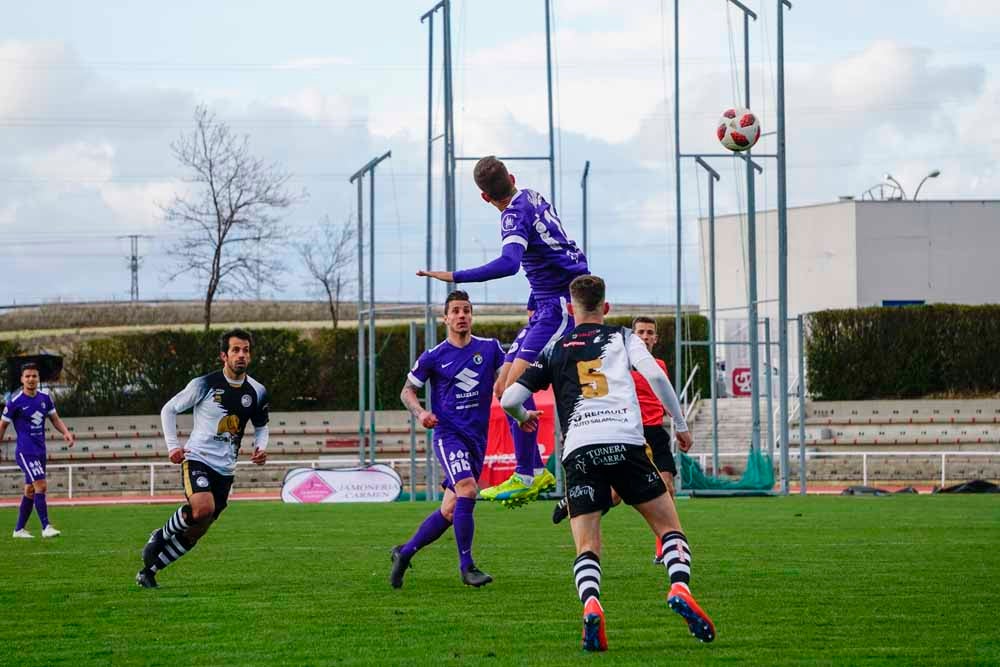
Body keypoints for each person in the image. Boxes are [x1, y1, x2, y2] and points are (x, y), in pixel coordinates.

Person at [501, 275, 714, 651]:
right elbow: (655, 375)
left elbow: (508, 398)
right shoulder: (622, 336)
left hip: (580, 450)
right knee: (669, 529)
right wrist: (679, 425)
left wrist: (522, 417)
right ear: (607, 306)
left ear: (570, 309)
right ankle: (679, 586)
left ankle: (592, 605)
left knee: (587, 546)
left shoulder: (555, 347)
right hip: (626, 443)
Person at [418, 156, 589, 506]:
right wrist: (533, 295)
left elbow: (511, 263)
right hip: (545, 303)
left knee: (516, 388)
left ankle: (529, 473)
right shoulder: (532, 195)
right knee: (502, 387)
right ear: (512, 177)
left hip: (557, 308)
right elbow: (550, 251)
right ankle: (533, 468)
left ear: (484, 197)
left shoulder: (512, 214)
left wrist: (455, 276)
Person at [135, 329, 269, 588]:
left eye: (246, 350)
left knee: (199, 527)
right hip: (198, 459)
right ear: (224, 355)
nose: (241, 355)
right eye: (235, 350)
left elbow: (261, 425)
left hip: (226, 470)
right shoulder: (205, 384)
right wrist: (173, 446)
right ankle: (161, 535)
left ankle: (149, 571)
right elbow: (168, 409)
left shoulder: (257, 391)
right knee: (203, 508)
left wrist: (260, 447)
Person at [391, 290, 505, 589]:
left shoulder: (490, 348)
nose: (461, 315)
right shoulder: (434, 356)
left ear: (472, 315)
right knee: (468, 489)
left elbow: (509, 378)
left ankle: (405, 553)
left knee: (450, 510)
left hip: (477, 439)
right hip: (448, 434)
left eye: (466, 310)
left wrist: (520, 408)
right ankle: (467, 567)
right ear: (446, 318)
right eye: (455, 311)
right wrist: (420, 413)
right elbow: (407, 391)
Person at [551, 316, 685, 564]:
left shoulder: (658, 365)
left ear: (656, 338)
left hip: (654, 431)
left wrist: (677, 419)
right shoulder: (618, 363)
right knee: (613, 496)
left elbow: (662, 391)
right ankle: (574, 503)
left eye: (650, 333)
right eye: (641, 332)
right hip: (627, 432)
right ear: (634, 335)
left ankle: (663, 548)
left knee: (667, 484)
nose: (645, 337)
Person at [2, 362, 76, 538]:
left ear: (38, 378)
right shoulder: (14, 402)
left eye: (34, 376)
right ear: (22, 379)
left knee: (30, 490)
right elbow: (3, 425)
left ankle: (19, 530)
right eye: (27, 376)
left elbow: (55, 419)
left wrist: (66, 432)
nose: (31, 379)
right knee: (41, 485)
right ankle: (46, 527)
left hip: (40, 450)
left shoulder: (45, 398)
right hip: (25, 451)